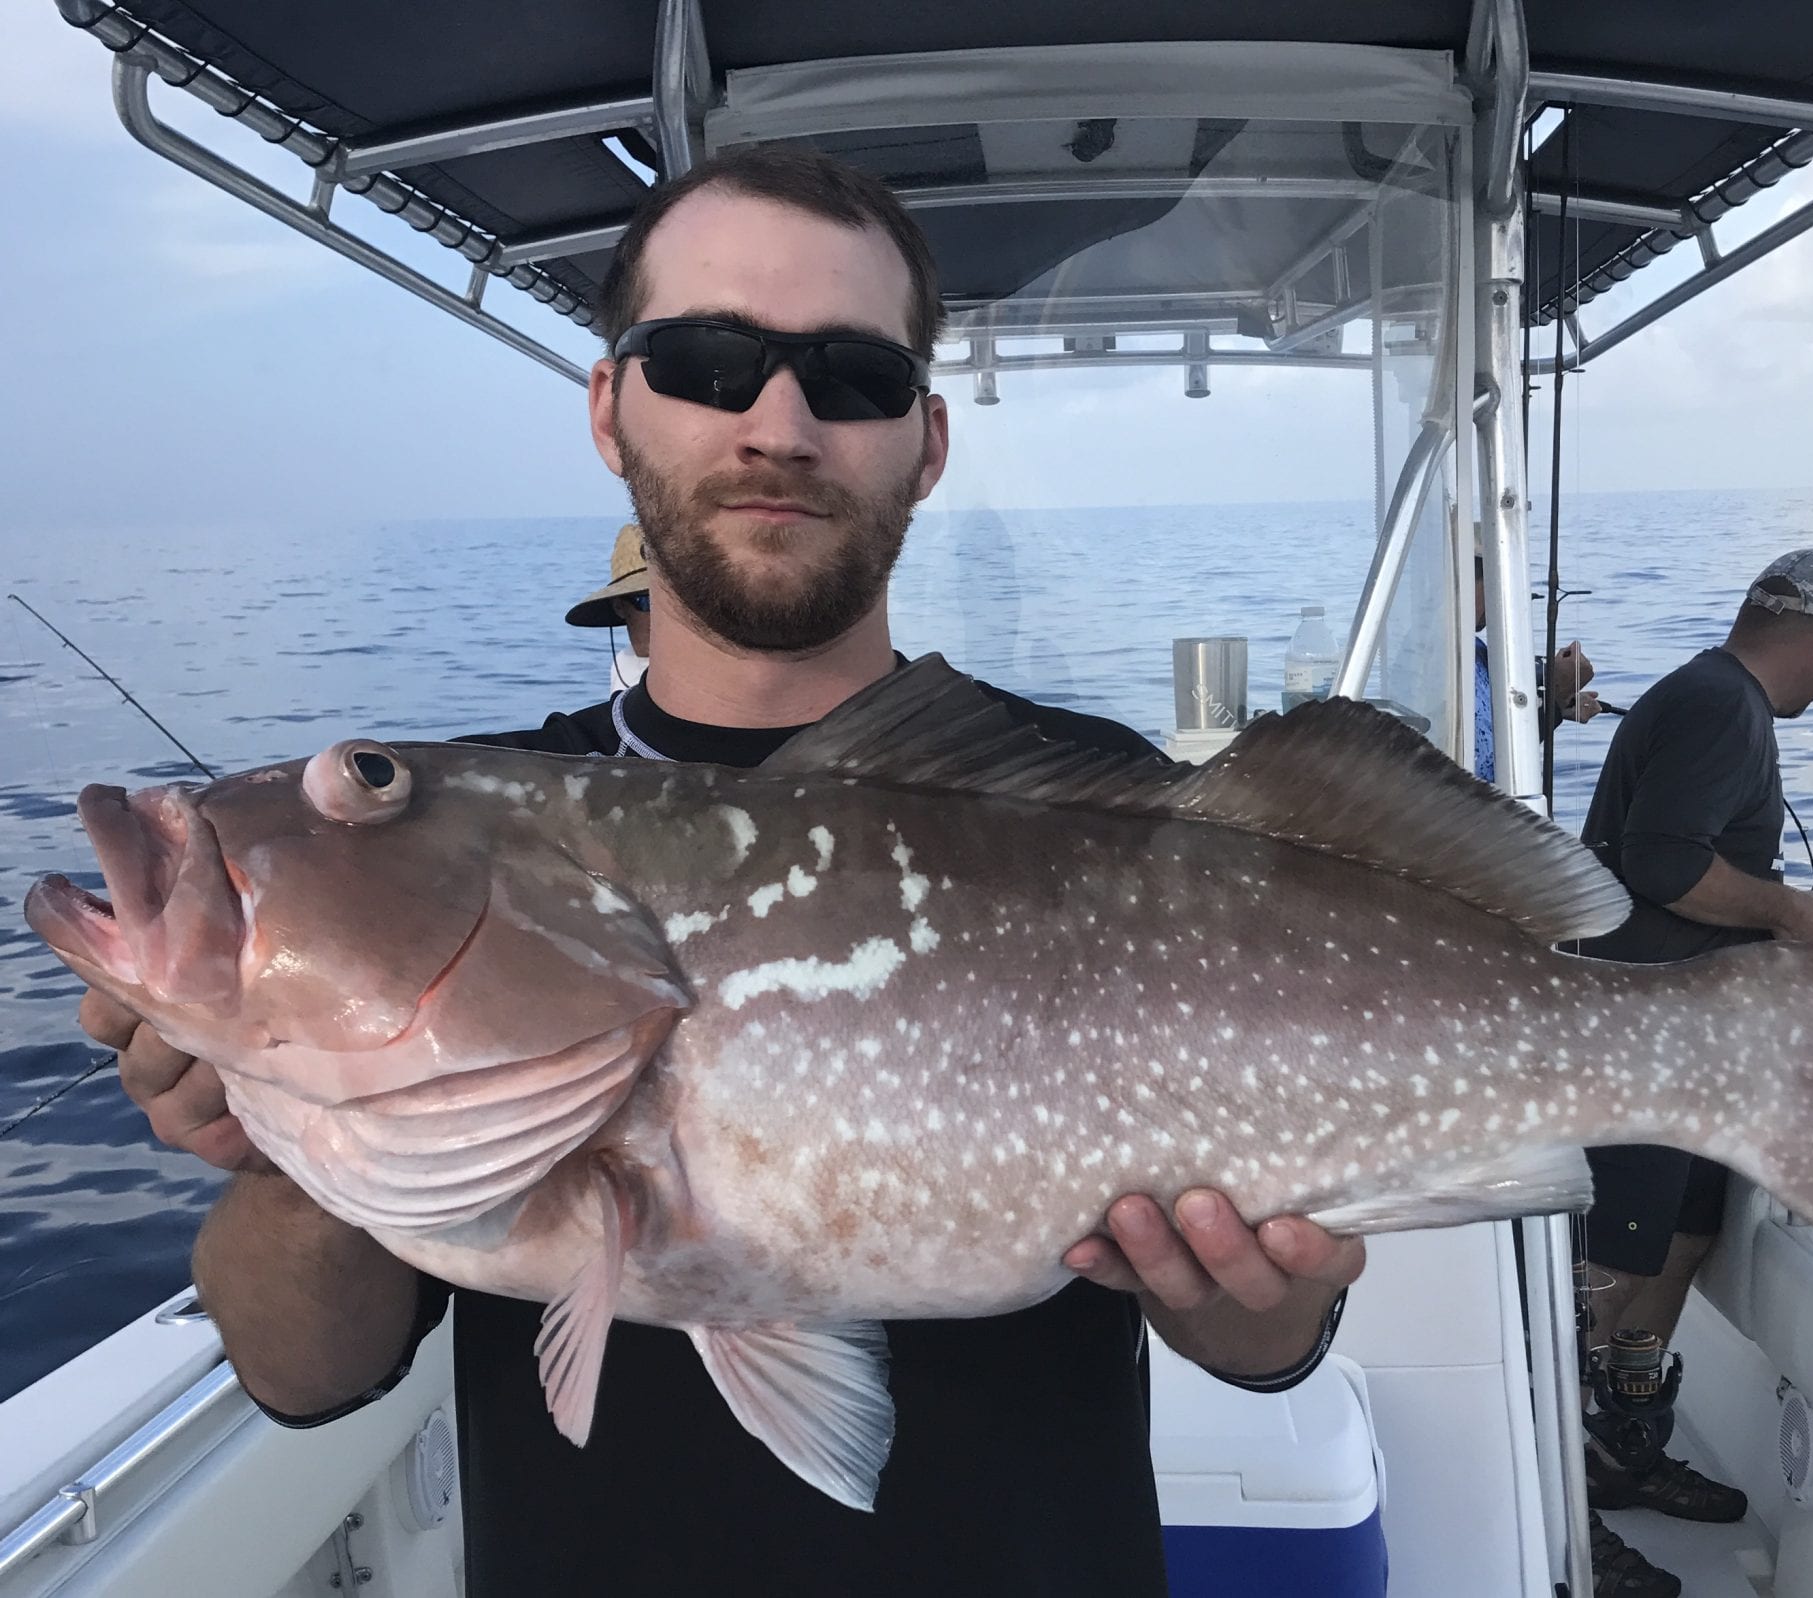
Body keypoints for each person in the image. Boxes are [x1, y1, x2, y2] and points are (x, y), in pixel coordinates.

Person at [80, 146, 1367, 1598]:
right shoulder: (497, 802)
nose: (779, 420)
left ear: (927, 441)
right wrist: (291, 1113)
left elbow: (1262, 1347)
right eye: (706, 358)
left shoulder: (1103, 801)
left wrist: (1269, 1292)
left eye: (852, 376)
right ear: (609, 405)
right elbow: (304, 1375)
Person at [1570, 546, 1813, 1598]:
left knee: (1686, 1226)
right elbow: (1658, 860)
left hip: (1688, 1041)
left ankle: (1621, 1441)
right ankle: (1566, 1500)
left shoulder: (1710, 696)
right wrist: (1794, 912)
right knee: (1602, 1269)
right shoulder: (1719, 705)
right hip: (1641, 1036)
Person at [1473, 549, 1601, 784]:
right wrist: (1558, 693)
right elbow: (1496, 765)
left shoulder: (1474, 648)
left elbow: (1499, 723)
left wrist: (1559, 706)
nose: (1501, 600)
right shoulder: (1443, 655)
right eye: (1494, 586)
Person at [565, 521, 652, 691]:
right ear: (619, 606)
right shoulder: (623, 663)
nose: (664, 611)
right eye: (647, 601)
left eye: (674, 599)